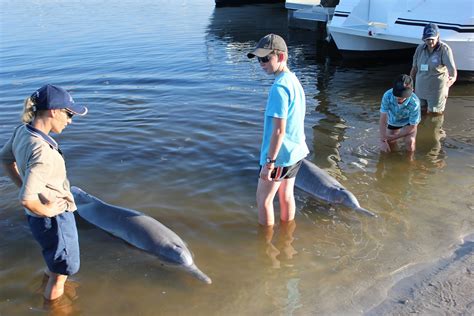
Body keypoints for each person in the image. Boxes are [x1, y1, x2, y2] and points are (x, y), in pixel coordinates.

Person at [0, 84, 88, 301]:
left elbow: (5, 158)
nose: (70, 120)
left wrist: (22, 184)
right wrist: (48, 210)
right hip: (54, 218)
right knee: (64, 271)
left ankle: (48, 282)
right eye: (68, 114)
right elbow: (26, 200)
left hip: (38, 219)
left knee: (55, 262)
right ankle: (55, 305)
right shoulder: (43, 152)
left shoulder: (22, 131)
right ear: (53, 111)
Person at [247, 34, 309, 226]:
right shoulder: (293, 81)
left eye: (266, 58)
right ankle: (286, 238)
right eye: (259, 59)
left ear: (281, 57)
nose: (261, 63)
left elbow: (278, 131)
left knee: (263, 200)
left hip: (279, 157)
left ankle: (265, 247)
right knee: (286, 195)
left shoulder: (279, 88)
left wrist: (269, 163)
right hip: (295, 152)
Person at [409, 23, 457, 115]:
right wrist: (410, 83)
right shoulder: (420, 48)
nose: (430, 42)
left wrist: (452, 79)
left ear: (438, 37)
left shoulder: (444, 49)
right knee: (419, 112)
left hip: (436, 90)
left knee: (434, 115)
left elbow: (452, 69)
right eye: (427, 39)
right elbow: (414, 68)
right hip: (420, 88)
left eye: (432, 39)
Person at [379, 74, 421, 154]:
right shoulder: (387, 96)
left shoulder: (415, 102)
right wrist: (383, 140)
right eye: (397, 96)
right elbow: (383, 119)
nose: (399, 100)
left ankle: (410, 161)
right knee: (389, 144)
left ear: (412, 90)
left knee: (410, 142)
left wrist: (394, 137)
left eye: (403, 97)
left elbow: (413, 126)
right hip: (393, 120)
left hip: (409, 123)